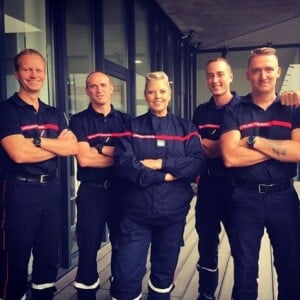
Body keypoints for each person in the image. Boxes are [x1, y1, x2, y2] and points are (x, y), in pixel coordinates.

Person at [110, 71, 206, 300]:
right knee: (126, 274)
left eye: (162, 91)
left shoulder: (187, 128)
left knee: (163, 275)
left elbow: (195, 163)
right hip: (135, 215)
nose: (157, 96)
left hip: (172, 216)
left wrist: (160, 163)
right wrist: (165, 176)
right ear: (145, 95)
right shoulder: (131, 127)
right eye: (152, 91)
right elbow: (125, 166)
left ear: (170, 94)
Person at [220, 47, 300, 300]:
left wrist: (253, 140)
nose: (262, 75)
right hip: (245, 198)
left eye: (268, 69)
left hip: (284, 197)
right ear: (248, 75)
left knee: (290, 266)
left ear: (278, 72)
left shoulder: (293, 108)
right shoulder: (234, 110)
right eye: (256, 70)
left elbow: (299, 152)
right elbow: (231, 157)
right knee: (245, 269)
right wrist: (280, 150)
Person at [0, 49, 78, 300]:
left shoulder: (54, 113)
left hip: (52, 191)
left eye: (39, 70)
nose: (34, 74)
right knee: (16, 254)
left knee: (47, 254)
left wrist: (33, 142)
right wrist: (53, 145)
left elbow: (71, 147)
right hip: (19, 191)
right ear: (16, 73)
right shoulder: (7, 111)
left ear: (45, 74)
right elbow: (18, 154)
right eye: (27, 69)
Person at [69, 71, 131, 300]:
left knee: (122, 244)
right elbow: (84, 159)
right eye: (93, 86)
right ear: (87, 91)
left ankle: (119, 291)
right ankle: (86, 294)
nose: (99, 90)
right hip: (91, 192)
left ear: (112, 88)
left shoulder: (126, 121)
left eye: (103, 85)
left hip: (121, 192)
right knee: (88, 246)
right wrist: (118, 154)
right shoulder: (78, 121)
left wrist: (97, 147)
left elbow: (131, 156)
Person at [192, 57, 240, 300]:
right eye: (210, 75)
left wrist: (214, 146)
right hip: (209, 185)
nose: (215, 80)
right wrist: (229, 145)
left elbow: (239, 151)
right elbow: (194, 148)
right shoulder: (201, 111)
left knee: (242, 246)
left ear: (230, 76)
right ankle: (206, 292)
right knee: (206, 242)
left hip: (238, 187)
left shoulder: (245, 107)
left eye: (220, 74)